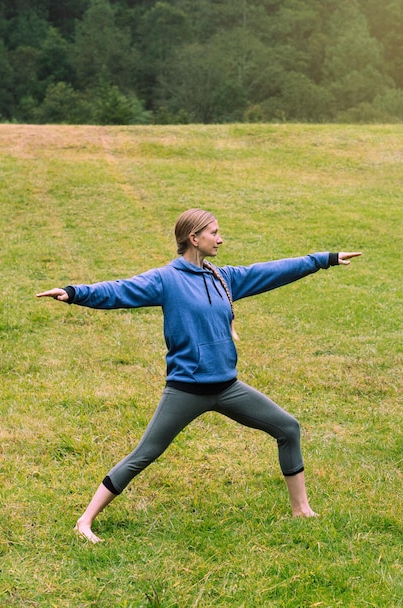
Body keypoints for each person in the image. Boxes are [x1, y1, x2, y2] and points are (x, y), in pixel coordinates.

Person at [36, 209, 361, 543]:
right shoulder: (166, 280)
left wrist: (325, 259)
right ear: (194, 238)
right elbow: (119, 290)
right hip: (186, 390)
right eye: (214, 233)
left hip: (228, 387)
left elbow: (271, 271)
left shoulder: (223, 278)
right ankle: (85, 521)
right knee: (145, 453)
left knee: (288, 428)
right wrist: (74, 293)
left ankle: (301, 509)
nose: (220, 239)